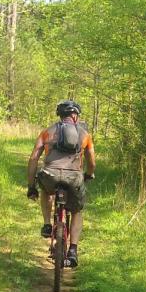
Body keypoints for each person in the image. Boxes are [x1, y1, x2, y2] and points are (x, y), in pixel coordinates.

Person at [27, 100, 96, 268]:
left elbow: (34, 158)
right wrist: (89, 174)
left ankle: (47, 225)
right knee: (77, 210)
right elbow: (91, 162)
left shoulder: (47, 132)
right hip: (74, 177)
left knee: (46, 190)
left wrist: (31, 186)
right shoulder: (85, 135)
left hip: (50, 175)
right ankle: (73, 250)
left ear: (60, 115)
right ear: (75, 116)